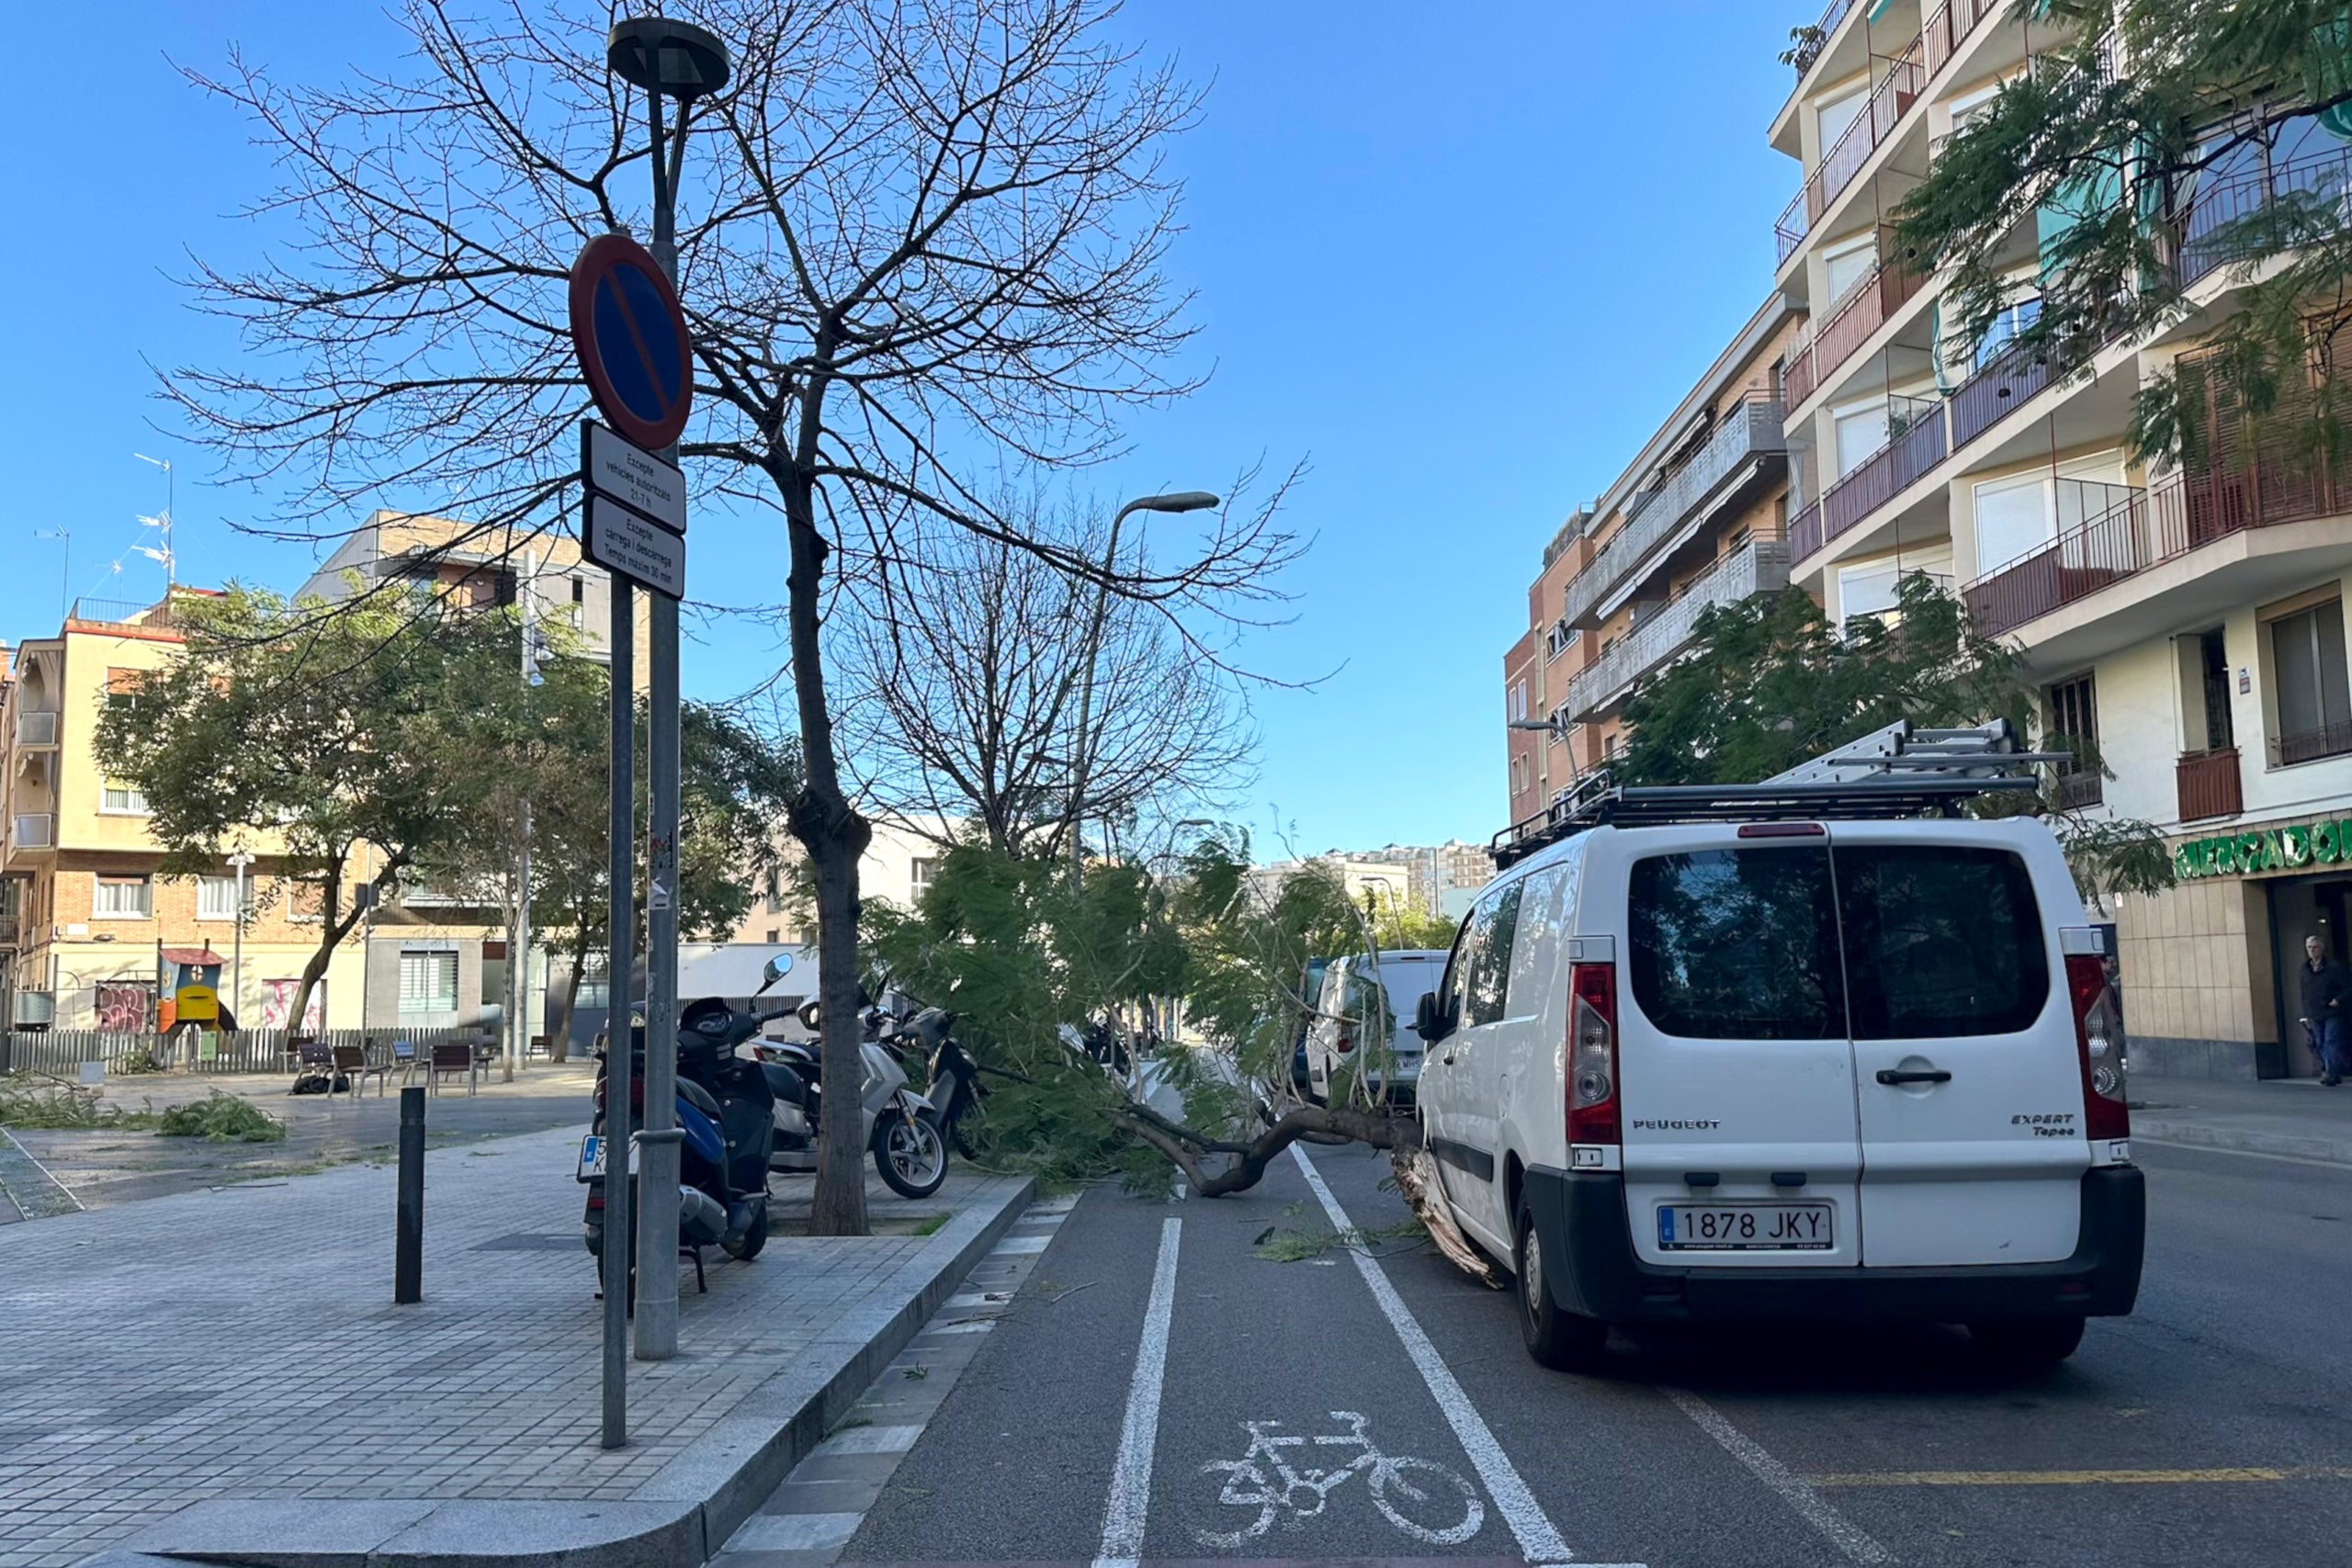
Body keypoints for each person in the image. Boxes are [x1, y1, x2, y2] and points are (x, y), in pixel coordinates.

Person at [2296, 933, 2351, 1087]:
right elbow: (2304, 993)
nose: (2312, 950)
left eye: (2315, 947)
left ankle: (2331, 1073)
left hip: (2332, 1011)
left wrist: (2338, 1000)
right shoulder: (2305, 969)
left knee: (2331, 1041)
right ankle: (2329, 1069)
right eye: (2309, 947)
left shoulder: (2334, 967)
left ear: (2322, 949)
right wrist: (2305, 1015)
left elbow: (2348, 987)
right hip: (2314, 1012)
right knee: (2319, 1042)